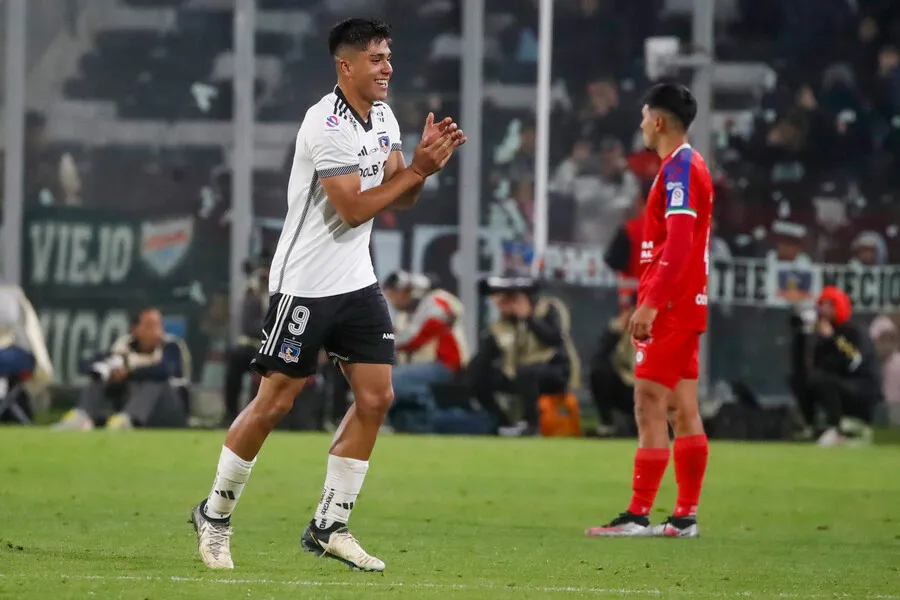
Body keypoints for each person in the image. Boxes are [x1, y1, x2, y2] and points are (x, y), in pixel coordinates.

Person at [189, 18, 466, 572]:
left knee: (376, 398)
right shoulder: (325, 124)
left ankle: (329, 525)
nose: (388, 67)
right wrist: (416, 169)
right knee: (276, 402)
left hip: (356, 282)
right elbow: (355, 208)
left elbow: (398, 200)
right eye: (377, 59)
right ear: (346, 65)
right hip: (305, 285)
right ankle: (214, 515)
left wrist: (422, 171)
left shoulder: (383, 116)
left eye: (389, 57)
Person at [586, 83, 713, 539]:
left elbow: (678, 244)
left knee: (648, 402)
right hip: (685, 300)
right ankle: (683, 517)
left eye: (643, 116)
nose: (640, 124)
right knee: (681, 407)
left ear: (658, 121)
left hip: (672, 304)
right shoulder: (680, 167)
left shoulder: (680, 167)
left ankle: (640, 515)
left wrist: (651, 303)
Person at [468, 274, 577, 437]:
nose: (502, 304)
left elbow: (554, 339)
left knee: (527, 372)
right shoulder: (504, 323)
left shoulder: (548, 308)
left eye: (508, 299)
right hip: (519, 373)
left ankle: (531, 426)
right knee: (477, 374)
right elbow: (489, 353)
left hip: (555, 369)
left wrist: (528, 317)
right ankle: (502, 423)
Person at [55, 307, 190, 430]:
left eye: (159, 325)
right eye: (150, 326)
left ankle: (127, 420)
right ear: (135, 329)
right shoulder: (124, 345)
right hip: (134, 405)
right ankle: (82, 416)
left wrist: (129, 372)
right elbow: (91, 363)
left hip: (168, 409)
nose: (157, 332)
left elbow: (165, 370)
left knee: (154, 380)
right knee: (102, 376)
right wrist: (113, 372)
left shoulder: (171, 346)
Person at [791, 287, 881, 446]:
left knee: (825, 381)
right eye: (822, 305)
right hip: (838, 385)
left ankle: (837, 428)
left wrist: (832, 337)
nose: (823, 311)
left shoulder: (854, 332)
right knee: (802, 380)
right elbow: (813, 369)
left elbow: (855, 360)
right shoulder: (822, 338)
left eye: (829, 305)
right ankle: (810, 425)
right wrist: (802, 336)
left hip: (862, 387)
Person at [385, 271, 467, 433]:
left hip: (445, 364)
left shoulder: (437, 300)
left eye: (396, 294)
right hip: (424, 366)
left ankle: (377, 423)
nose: (393, 301)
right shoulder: (405, 314)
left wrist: (379, 341)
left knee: (390, 378)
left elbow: (414, 338)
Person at [222, 261, 269, 426]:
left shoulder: (282, 294)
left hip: (275, 347)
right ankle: (230, 413)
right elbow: (249, 327)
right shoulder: (252, 295)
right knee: (235, 360)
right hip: (254, 345)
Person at [588, 290, 637, 437]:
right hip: (628, 386)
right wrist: (615, 332)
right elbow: (599, 356)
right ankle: (607, 423)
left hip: (654, 390)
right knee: (599, 371)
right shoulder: (620, 328)